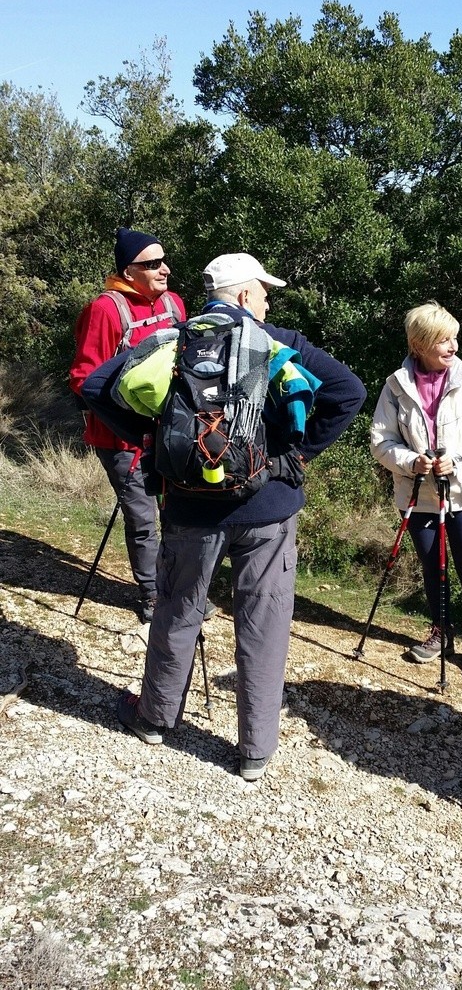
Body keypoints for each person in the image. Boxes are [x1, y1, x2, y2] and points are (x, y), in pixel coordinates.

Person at [115, 252, 366, 780]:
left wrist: (154, 439)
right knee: (264, 620)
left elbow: (98, 389)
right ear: (246, 296)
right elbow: (349, 392)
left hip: (189, 505)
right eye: (265, 290)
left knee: (179, 608)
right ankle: (254, 750)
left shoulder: (171, 340)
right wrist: (295, 458)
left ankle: (155, 720)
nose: (270, 299)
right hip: (267, 506)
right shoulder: (281, 343)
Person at [69, 227, 202, 624]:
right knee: (143, 520)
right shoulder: (105, 310)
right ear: (130, 271)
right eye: (153, 264)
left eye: (164, 261)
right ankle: (152, 597)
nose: (165, 269)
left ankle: (177, 590)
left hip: (171, 434)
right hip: (121, 439)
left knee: (178, 514)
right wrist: (128, 419)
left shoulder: (175, 304)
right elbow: (83, 378)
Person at [370, 300, 462, 682]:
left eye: (454, 339)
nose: (453, 347)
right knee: (432, 567)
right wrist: (412, 461)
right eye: (444, 341)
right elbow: (381, 442)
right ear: (420, 344)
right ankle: (441, 632)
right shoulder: (395, 387)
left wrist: (457, 460)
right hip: (417, 494)